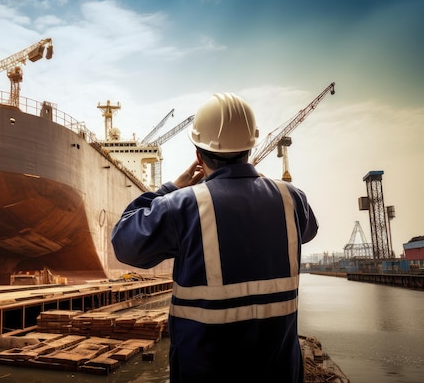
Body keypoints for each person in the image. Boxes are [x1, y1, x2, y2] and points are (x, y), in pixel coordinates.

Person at [111, 92, 318, 382]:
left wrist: (170, 188)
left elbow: (123, 243)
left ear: (198, 155)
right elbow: (308, 231)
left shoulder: (183, 205)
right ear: (250, 146)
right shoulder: (292, 200)